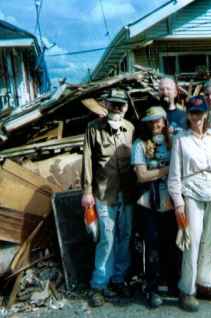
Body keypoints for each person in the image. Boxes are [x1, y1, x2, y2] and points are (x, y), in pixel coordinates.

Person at [168, 96, 211, 312]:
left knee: (210, 241)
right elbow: (174, 177)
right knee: (191, 243)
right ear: (188, 114)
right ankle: (187, 289)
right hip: (191, 195)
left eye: (200, 113)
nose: (197, 117)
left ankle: (205, 283)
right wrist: (178, 204)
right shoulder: (181, 139)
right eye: (193, 113)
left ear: (206, 114)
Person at [81, 89, 134, 307]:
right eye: (113, 104)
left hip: (128, 194)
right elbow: (87, 161)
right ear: (106, 104)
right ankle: (99, 285)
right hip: (104, 194)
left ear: (126, 107)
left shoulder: (130, 128)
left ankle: (118, 279)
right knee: (107, 240)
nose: (117, 108)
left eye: (121, 105)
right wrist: (86, 192)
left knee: (125, 237)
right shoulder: (93, 129)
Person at [131, 106, 180, 308]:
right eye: (151, 121)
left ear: (164, 120)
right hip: (148, 202)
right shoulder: (140, 144)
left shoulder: (174, 140)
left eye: (158, 120)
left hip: (171, 201)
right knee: (152, 246)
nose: (155, 124)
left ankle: (172, 283)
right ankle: (151, 288)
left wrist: (158, 172)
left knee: (172, 244)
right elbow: (141, 175)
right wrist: (168, 169)